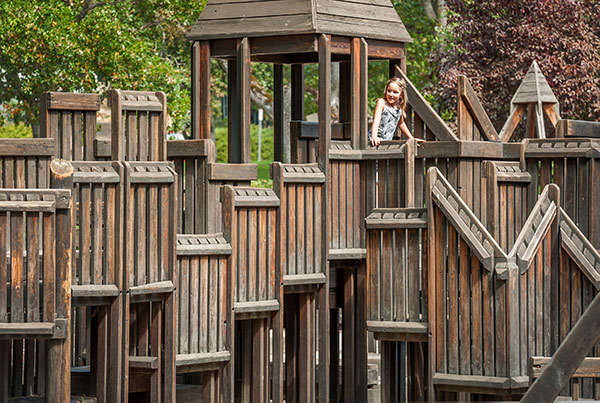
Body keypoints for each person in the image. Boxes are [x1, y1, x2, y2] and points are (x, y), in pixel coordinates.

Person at [369, 77, 424, 146]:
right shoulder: (382, 102)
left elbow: (401, 123)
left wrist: (411, 138)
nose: (391, 94)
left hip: (386, 142)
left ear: (401, 95)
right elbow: (376, 119)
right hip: (374, 140)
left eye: (395, 92)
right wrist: (374, 136)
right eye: (389, 91)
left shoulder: (399, 109)